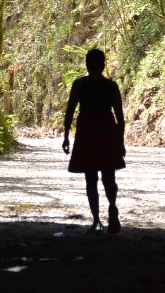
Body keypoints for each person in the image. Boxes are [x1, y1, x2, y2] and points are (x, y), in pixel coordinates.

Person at [62, 48, 126, 234]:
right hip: (107, 130)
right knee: (109, 176)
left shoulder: (79, 84)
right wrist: (120, 142)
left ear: (87, 65)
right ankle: (112, 206)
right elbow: (120, 118)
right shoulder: (112, 86)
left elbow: (70, 111)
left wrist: (66, 136)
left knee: (90, 178)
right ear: (103, 65)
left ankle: (97, 221)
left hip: (87, 131)